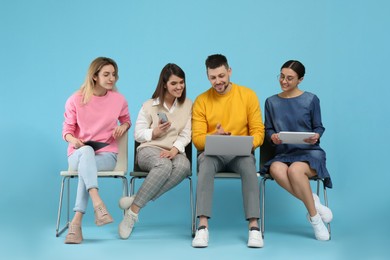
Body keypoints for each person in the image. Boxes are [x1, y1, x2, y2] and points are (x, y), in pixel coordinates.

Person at [191, 54, 265, 248]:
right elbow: (197, 140)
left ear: (229, 71)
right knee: (205, 164)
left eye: (221, 76)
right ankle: (202, 227)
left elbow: (258, 131)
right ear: (207, 77)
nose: (218, 81)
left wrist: (247, 144)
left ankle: (254, 228)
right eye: (213, 77)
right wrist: (214, 137)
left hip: (240, 152)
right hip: (212, 153)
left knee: (249, 165)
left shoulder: (248, 95)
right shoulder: (201, 100)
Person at [118, 63, 192, 239]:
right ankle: (133, 214)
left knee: (184, 167)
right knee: (163, 165)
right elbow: (138, 134)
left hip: (175, 151)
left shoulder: (188, 105)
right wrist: (155, 132)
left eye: (181, 82)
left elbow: (187, 133)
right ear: (164, 84)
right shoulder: (149, 105)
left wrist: (175, 150)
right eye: (174, 83)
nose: (179, 87)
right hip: (148, 150)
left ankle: (136, 199)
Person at [261, 60, 333, 241]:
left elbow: (319, 127)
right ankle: (314, 202)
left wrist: (316, 135)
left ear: (300, 80)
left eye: (290, 78)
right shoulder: (271, 102)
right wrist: (272, 137)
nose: (284, 81)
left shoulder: (311, 99)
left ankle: (315, 219)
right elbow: (268, 128)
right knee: (276, 169)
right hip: (284, 153)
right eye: (282, 76)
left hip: (309, 153)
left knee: (295, 170)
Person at [62, 57, 131, 244]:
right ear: (94, 76)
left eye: (114, 74)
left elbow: (126, 120)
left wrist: (123, 127)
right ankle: (97, 202)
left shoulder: (119, 99)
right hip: (78, 154)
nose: (112, 78)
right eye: (106, 74)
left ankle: (76, 224)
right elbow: (67, 132)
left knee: (87, 166)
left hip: (107, 155)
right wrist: (75, 141)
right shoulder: (75, 99)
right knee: (86, 153)